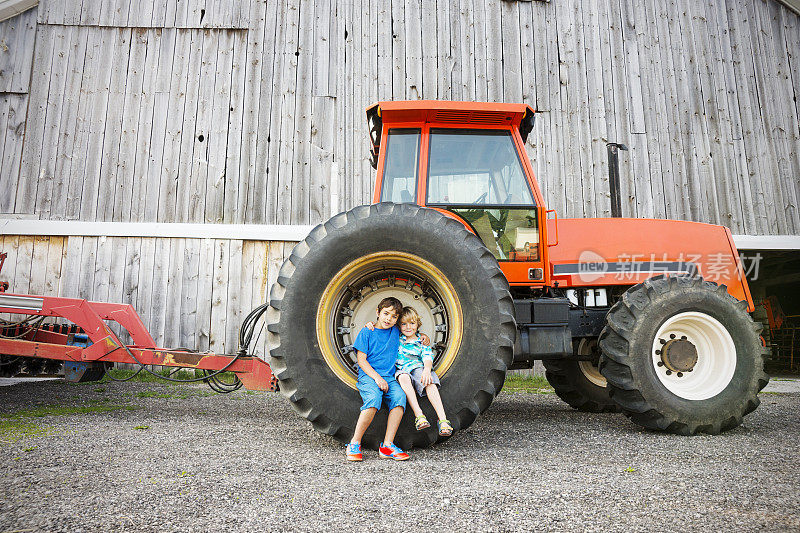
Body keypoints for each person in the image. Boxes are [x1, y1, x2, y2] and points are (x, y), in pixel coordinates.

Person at [346, 297, 410, 462]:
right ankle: (354, 442)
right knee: (373, 399)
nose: (389, 318)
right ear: (378, 312)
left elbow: (412, 330)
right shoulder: (367, 331)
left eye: (394, 316)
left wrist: (424, 336)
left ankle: (387, 445)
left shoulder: (396, 331)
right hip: (369, 375)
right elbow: (361, 360)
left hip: (389, 377)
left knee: (400, 398)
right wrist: (377, 378)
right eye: (386, 313)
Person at [394, 306, 453, 437]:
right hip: (401, 370)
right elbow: (382, 328)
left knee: (429, 382)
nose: (408, 327)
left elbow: (427, 356)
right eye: (403, 324)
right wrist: (369, 324)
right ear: (399, 326)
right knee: (403, 377)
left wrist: (427, 370)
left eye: (412, 323)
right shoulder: (397, 338)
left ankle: (443, 420)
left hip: (418, 368)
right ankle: (419, 415)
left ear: (418, 324)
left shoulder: (421, 340)